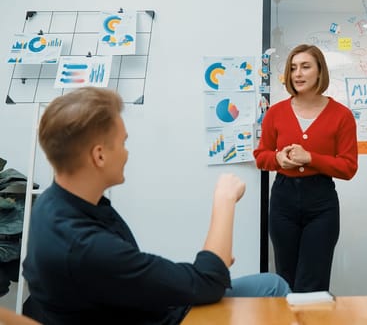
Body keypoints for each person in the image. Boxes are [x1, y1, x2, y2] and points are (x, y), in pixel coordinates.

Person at [22, 87, 289, 325]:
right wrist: (225, 199)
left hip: (140, 305)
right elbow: (209, 282)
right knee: (273, 287)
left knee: (270, 283)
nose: (127, 153)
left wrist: (212, 266)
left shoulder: (52, 204)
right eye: (123, 143)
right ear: (99, 155)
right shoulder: (86, 247)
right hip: (165, 316)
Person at [253, 44, 358, 292]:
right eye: (293, 68)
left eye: (305, 66)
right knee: (286, 281)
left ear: (320, 71)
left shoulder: (341, 115)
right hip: (283, 202)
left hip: (321, 204)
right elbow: (261, 157)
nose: (297, 74)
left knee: (313, 283)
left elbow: (348, 167)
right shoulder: (275, 113)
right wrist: (278, 159)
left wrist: (310, 157)